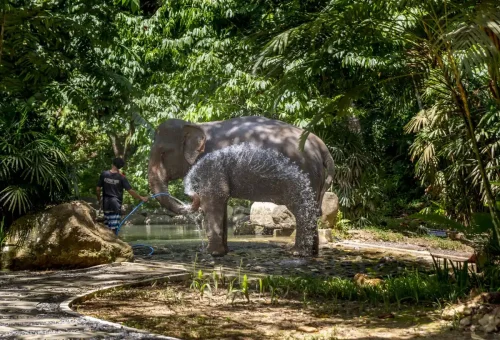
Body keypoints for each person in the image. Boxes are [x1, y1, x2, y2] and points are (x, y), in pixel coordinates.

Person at [96, 157, 148, 235]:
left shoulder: (104, 174)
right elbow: (130, 191)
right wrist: (141, 198)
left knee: (107, 227)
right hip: (116, 205)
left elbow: (97, 189)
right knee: (114, 229)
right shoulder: (122, 178)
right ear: (120, 167)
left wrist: (99, 199)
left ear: (112, 164)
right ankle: (114, 244)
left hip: (106, 204)